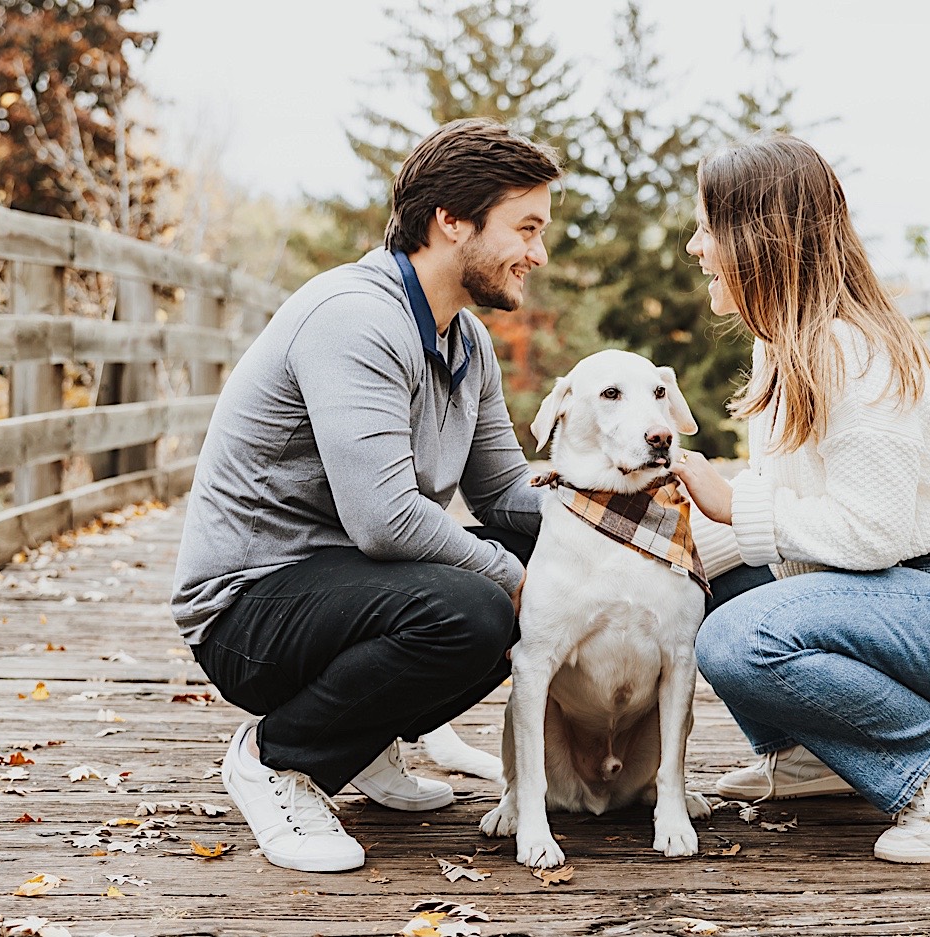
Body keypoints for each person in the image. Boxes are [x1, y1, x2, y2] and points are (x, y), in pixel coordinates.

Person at [170, 119, 562, 873]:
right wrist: (520, 583)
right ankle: (275, 758)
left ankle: (361, 739)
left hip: (349, 591)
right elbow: (384, 520)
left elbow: (505, 493)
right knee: (480, 607)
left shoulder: (465, 341)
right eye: (526, 227)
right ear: (452, 221)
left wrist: (611, 526)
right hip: (249, 607)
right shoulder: (354, 317)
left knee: (554, 559)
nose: (537, 253)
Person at [671, 134, 930, 864]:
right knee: (691, 580)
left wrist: (733, 505)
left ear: (755, 237)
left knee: (737, 640)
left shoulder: (851, 352)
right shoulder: (788, 348)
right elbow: (797, 509)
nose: (694, 246)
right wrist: (661, 552)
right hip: (899, 596)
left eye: (708, 228)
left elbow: (874, 533)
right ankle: (810, 757)